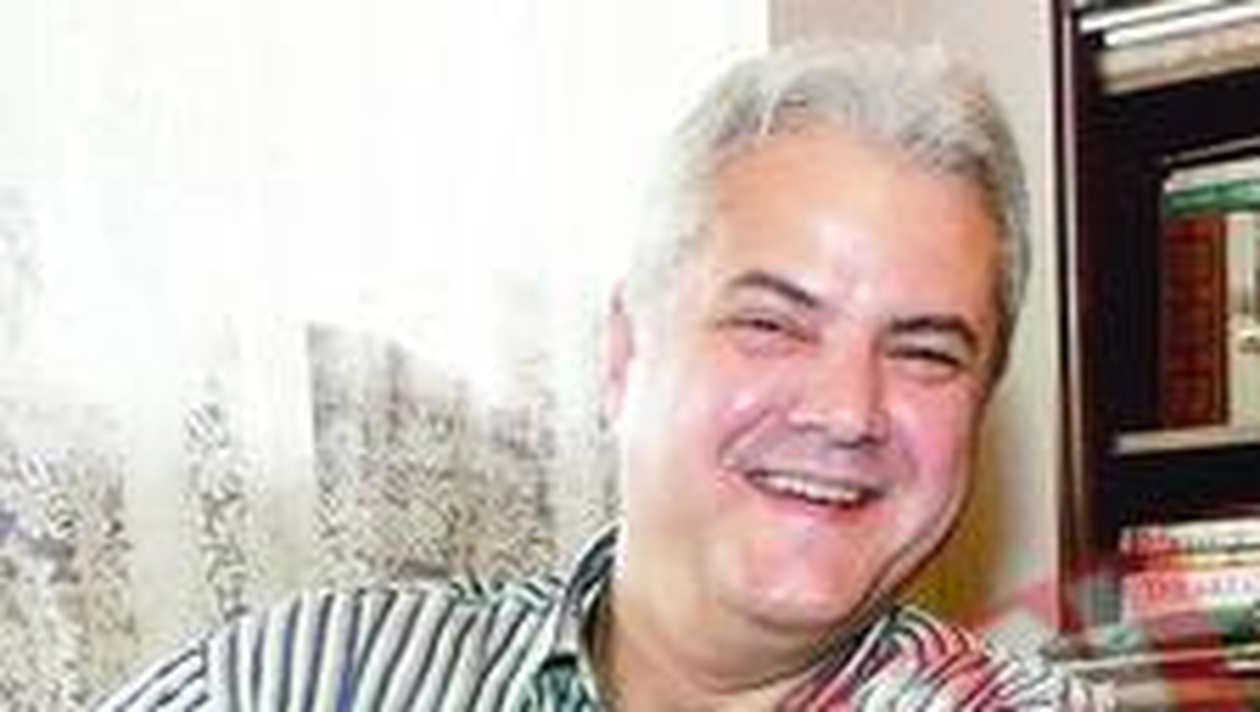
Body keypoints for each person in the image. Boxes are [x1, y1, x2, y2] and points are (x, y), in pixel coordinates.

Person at [97, 40, 1108, 710]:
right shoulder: (304, 680)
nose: (848, 410)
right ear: (624, 353)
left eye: (924, 351)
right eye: (770, 324)